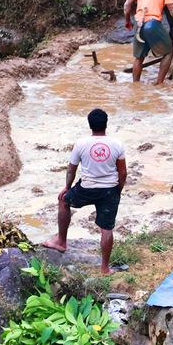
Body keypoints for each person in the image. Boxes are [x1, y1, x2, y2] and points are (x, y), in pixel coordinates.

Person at [42, 109, 127, 275]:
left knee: (64, 201)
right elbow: (123, 173)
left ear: (90, 125)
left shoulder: (81, 143)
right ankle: (104, 268)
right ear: (106, 124)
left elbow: (71, 169)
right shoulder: (117, 144)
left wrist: (67, 187)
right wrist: (118, 191)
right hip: (109, 190)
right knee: (106, 229)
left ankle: (61, 242)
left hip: (86, 188)